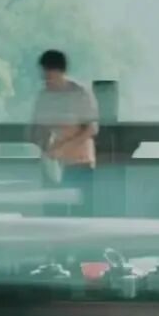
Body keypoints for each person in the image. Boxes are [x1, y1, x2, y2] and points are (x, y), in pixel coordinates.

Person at [28, 50, 99, 216]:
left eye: (49, 73)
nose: (46, 78)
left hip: (80, 163)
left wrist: (64, 147)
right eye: (44, 73)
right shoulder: (43, 97)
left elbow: (91, 128)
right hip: (52, 164)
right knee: (53, 214)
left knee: (81, 215)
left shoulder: (80, 93)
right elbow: (35, 129)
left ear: (61, 71)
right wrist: (45, 146)